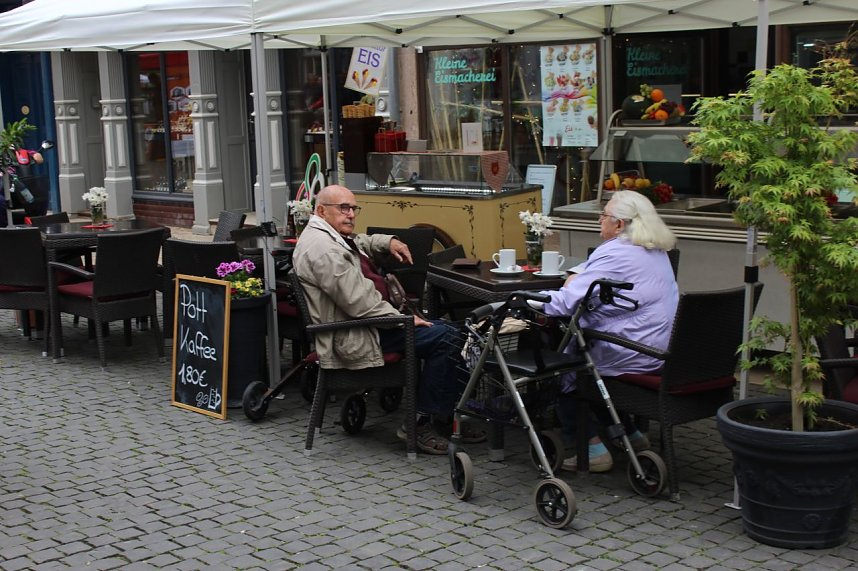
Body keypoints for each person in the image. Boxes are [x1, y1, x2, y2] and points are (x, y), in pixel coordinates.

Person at [292, 184, 471, 455]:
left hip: (370, 326)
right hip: (354, 335)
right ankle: (420, 424)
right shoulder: (322, 249)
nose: (351, 214)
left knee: (457, 331)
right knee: (446, 337)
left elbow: (359, 243)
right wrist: (403, 320)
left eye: (353, 208)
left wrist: (388, 242)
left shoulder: (329, 234)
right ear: (321, 210)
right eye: (344, 208)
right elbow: (359, 302)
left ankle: (443, 416)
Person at [537, 190, 679, 472]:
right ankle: (630, 434)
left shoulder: (616, 252)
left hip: (632, 351)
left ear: (620, 224)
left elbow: (566, 303)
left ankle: (592, 449)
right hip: (662, 348)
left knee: (567, 370)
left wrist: (519, 300)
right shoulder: (654, 250)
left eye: (604, 216)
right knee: (586, 362)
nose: (599, 220)